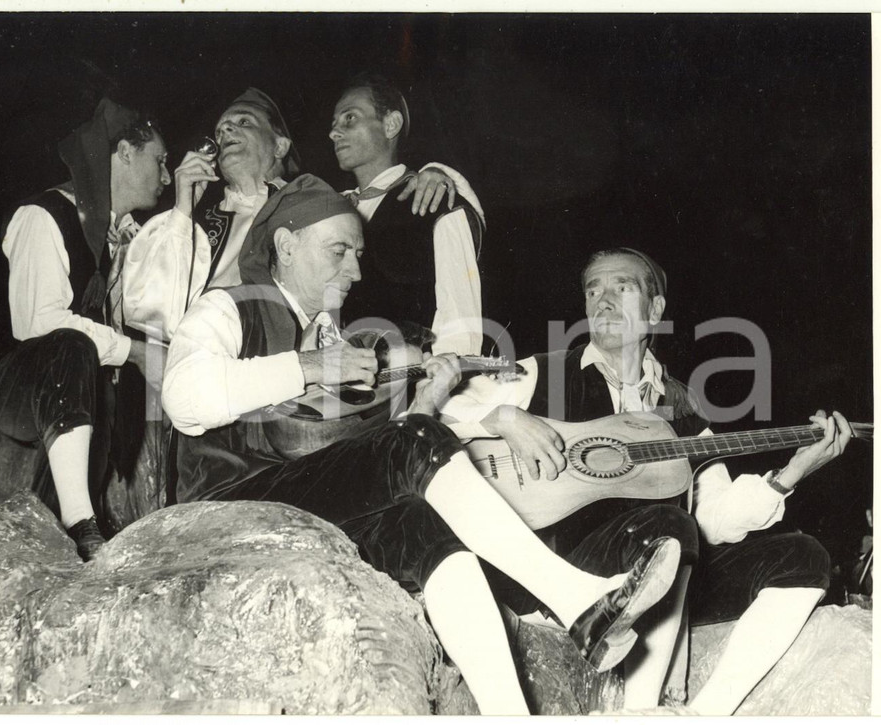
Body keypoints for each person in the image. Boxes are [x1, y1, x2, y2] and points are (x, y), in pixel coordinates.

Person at [161, 176, 683, 715]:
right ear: (286, 245)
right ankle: (573, 597)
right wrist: (313, 366)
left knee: (424, 526)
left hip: (301, 512)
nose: (355, 271)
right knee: (412, 443)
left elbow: (375, 460)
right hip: (227, 510)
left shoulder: (335, 337)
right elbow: (182, 398)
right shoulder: (228, 308)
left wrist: (429, 398)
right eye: (339, 251)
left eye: (358, 255)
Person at [438, 247, 854, 713]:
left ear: (655, 310)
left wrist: (790, 474)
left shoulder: (683, 407)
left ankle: (705, 714)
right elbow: (437, 414)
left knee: (803, 556)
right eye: (593, 289)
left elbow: (713, 519)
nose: (603, 300)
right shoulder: (543, 372)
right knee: (670, 526)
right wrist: (503, 417)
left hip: (660, 573)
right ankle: (640, 713)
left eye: (622, 287)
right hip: (561, 573)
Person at [0, 98, 171, 561]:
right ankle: (82, 522)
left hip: (72, 387)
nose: (166, 177)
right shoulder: (44, 214)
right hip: (13, 382)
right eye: (160, 161)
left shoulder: (116, 234)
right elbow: (38, 324)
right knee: (70, 344)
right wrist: (137, 352)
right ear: (124, 152)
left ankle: (70, 540)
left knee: (59, 535)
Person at [123, 87, 465, 343]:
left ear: (280, 145)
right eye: (221, 130)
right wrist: (182, 212)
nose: (225, 132)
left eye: (243, 122)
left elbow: (377, 192)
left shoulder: (316, 207)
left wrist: (435, 172)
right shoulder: (189, 223)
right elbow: (151, 316)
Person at [330, 74, 484, 356]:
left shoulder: (438, 203)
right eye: (334, 124)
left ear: (391, 124)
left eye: (350, 118)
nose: (334, 133)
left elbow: (460, 325)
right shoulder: (331, 209)